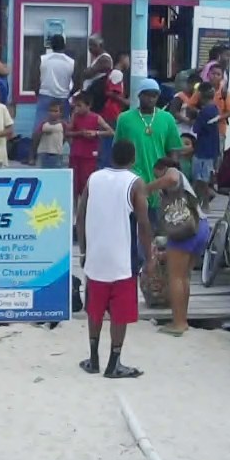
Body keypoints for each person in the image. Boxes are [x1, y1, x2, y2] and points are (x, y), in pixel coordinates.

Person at [76, 139, 154, 378]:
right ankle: (114, 362)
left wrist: (84, 250)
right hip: (122, 259)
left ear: (111, 157)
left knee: (95, 309)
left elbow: (81, 216)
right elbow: (143, 223)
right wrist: (149, 256)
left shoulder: (94, 179)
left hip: (96, 256)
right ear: (133, 159)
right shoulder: (135, 183)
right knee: (120, 312)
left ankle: (93, 359)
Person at [148, 157, 210, 336]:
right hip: (200, 226)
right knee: (184, 277)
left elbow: (172, 178)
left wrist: (147, 188)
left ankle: (178, 323)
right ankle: (182, 319)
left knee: (175, 278)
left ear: (162, 169)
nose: (158, 179)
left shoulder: (174, 173)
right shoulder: (183, 186)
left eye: (157, 175)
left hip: (184, 230)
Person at [114, 78, 182, 221]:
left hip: (157, 180)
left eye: (154, 95)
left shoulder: (167, 118)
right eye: (147, 95)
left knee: (153, 225)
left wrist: (168, 174)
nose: (151, 99)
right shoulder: (124, 119)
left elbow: (174, 149)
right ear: (139, 95)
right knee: (131, 225)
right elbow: (117, 150)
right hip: (132, 177)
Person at [67, 92, 111, 205]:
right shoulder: (75, 116)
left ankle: (86, 208)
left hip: (89, 156)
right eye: (75, 106)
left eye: (79, 106)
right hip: (75, 154)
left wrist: (96, 133)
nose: (77, 109)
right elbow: (67, 133)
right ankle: (74, 208)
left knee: (86, 183)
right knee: (73, 183)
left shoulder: (96, 118)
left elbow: (111, 132)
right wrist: (79, 133)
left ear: (88, 106)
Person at [190, 82, 222, 205]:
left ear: (200, 95)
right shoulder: (215, 109)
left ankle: (204, 202)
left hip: (203, 150)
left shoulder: (204, 112)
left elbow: (195, 129)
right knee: (206, 177)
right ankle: (203, 202)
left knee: (200, 179)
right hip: (213, 149)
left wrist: (195, 117)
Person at [36, 34, 75, 133]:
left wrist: (38, 93)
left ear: (51, 46)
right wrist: (69, 94)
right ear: (64, 45)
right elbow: (78, 82)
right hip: (63, 97)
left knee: (40, 127)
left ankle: (38, 143)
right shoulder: (71, 62)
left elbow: (34, 79)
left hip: (45, 95)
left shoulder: (43, 59)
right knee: (63, 129)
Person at [31, 101, 67, 168]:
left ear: (61, 113)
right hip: (44, 152)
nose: (52, 113)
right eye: (51, 111)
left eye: (55, 111)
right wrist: (42, 133)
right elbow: (36, 136)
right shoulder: (44, 123)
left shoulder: (63, 124)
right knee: (44, 170)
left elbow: (65, 136)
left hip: (57, 153)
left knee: (56, 170)